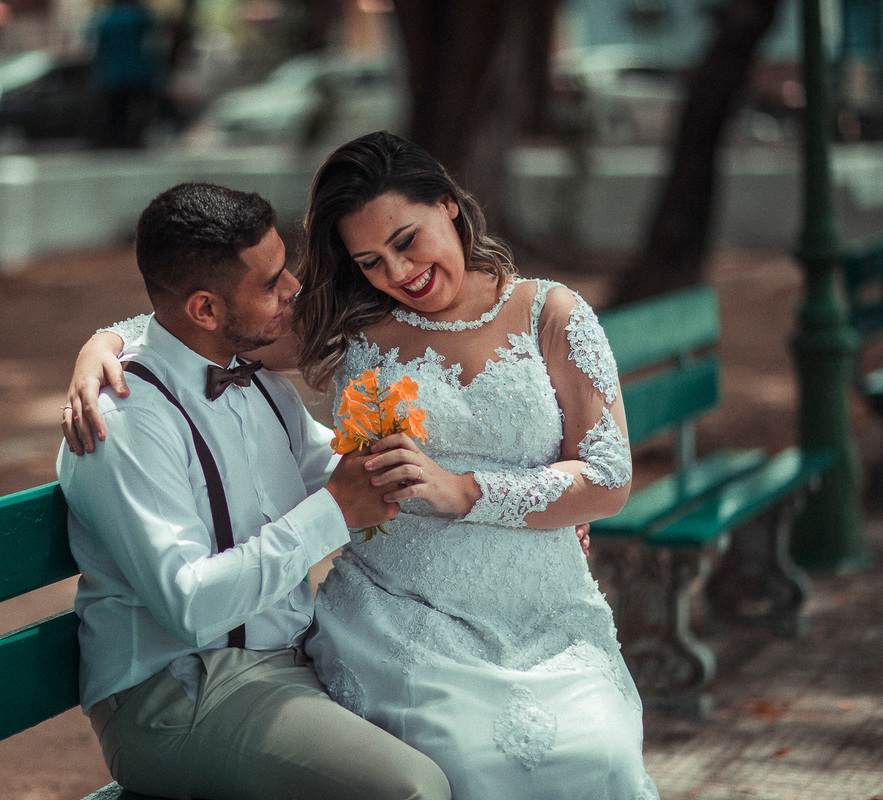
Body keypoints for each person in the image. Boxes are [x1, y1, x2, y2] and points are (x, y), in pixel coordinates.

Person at [65, 132, 653, 798]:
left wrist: (480, 495)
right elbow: (201, 323)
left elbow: (607, 477)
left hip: (540, 610)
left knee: (598, 757)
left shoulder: (553, 313)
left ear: (448, 204)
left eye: (407, 241)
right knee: (459, 758)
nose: (400, 274)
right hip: (397, 618)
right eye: (370, 260)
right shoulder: (356, 324)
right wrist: (105, 343)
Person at [56, 181, 451, 800]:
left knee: (466, 732)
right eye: (270, 282)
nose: (293, 287)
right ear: (207, 311)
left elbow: (356, 473)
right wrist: (335, 511)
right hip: (181, 695)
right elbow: (189, 608)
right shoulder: (126, 424)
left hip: (290, 657)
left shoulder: (261, 383)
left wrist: (508, 497)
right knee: (412, 789)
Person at [88, 0, 164, 149]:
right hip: (138, 72)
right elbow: (152, 45)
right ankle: (132, 138)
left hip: (112, 74)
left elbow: (97, 48)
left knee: (115, 109)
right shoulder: (142, 17)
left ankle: (113, 138)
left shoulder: (106, 19)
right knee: (138, 107)